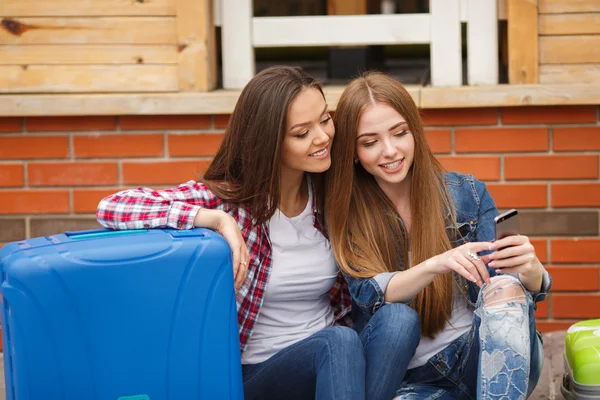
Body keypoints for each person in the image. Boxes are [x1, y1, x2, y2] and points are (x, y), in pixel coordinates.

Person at [96, 66, 366, 400]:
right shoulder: (230, 201)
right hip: (259, 376)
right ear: (269, 142)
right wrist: (217, 221)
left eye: (324, 120)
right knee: (338, 342)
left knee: (395, 324)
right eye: (301, 133)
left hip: (335, 370)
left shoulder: (329, 197)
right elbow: (114, 206)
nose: (323, 137)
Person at [325, 71, 552, 400]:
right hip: (419, 379)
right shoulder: (347, 215)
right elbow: (369, 295)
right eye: (370, 142)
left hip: (485, 355)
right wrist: (436, 264)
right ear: (353, 151)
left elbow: (504, 288)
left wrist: (532, 271)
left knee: (507, 288)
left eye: (399, 133)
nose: (389, 150)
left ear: (414, 131)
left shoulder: (466, 194)